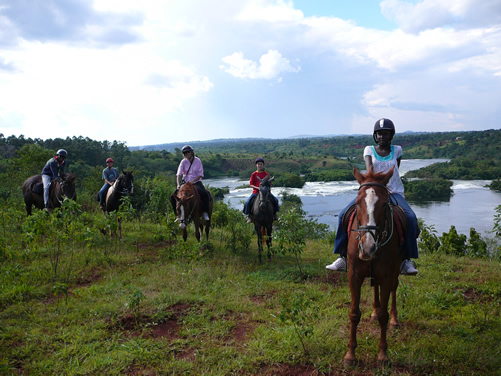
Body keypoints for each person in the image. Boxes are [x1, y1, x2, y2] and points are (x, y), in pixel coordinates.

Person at [326, 118, 419, 275]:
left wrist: (387, 185)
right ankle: (342, 257)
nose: (383, 137)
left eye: (386, 133)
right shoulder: (369, 150)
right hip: (373, 191)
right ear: (376, 135)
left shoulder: (397, 150)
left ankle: (406, 260)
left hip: (394, 191)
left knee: (410, 217)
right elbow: (370, 172)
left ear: (391, 135)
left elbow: (396, 170)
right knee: (343, 215)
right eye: (380, 134)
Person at [170, 145, 211, 221]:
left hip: (196, 182)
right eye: (185, 153)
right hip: (185, 183)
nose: (187, 154)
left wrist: (192, 181)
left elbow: (200, 174)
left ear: (191, 152)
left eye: (188, 152)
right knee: (172, 197)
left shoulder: (198, 161)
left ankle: (205, 212)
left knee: (205, 194)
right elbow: (178, 174)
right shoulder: (183, 162)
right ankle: (177, 215)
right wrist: (178, 184)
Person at [243, 157, 279, 223]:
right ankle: (249, 216)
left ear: (263, 165)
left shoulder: (266, 174)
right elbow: (251, 184)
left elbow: (270, 183)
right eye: (258, 164)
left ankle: (275, 214)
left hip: (265, 193)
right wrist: (258, 188)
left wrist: (266, 187)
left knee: (275, 200)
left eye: (261, 164)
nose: (260, 165)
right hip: (256, 192)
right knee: (247, 202)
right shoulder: (253, 174)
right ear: (256, 165)